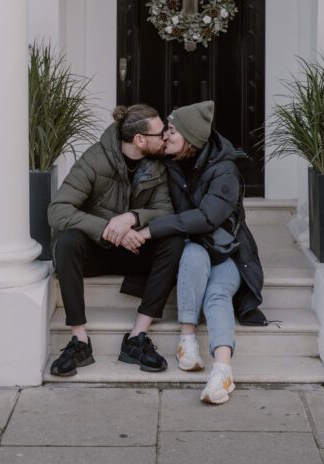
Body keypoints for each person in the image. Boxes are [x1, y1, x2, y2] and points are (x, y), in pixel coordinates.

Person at [134, 100, 265, 405]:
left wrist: (151, 230)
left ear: (191, 139)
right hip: (195, 247)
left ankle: (222, 369)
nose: (165, 136)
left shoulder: (225, 170)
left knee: (218, 293)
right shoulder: (170, 163)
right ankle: (187, 340)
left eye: (172, 131)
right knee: (193, 254)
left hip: (228, 251)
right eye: (166, 130)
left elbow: (208, 217)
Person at [48, 103, 183, 376]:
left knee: (174, 243)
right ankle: (79, 341)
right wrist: (109, 228)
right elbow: (58, 210)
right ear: (140, 140)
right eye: (161, 134)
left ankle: (137, 337)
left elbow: (165, 211)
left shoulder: (157, 166)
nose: (166, 137)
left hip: (134, 249)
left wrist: (132, 218)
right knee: (66, 241)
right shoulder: (95, 160)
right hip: (97, 249)